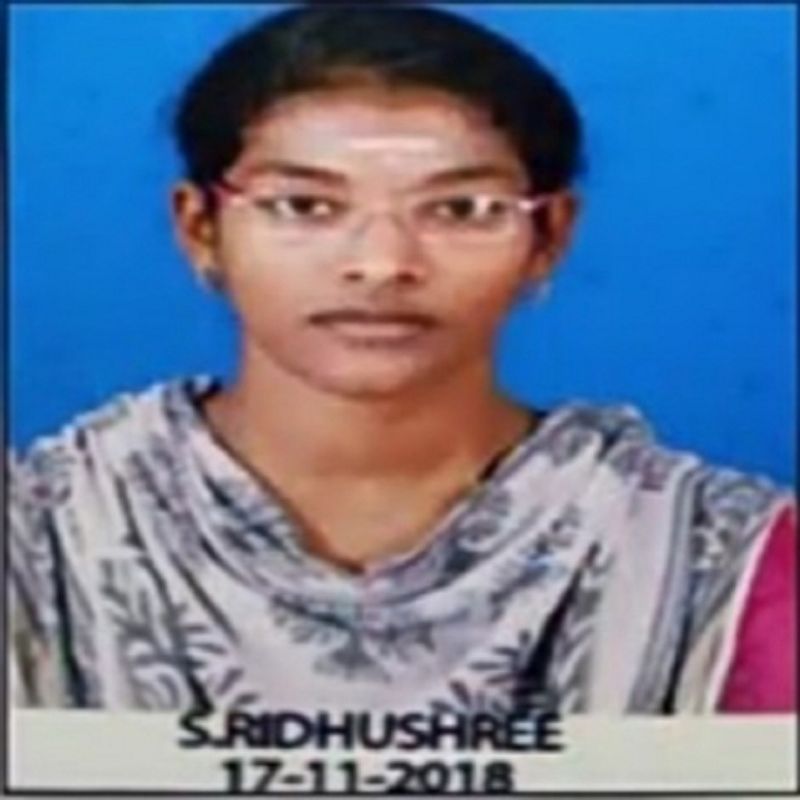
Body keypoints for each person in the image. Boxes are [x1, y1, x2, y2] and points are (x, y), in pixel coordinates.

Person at [8, 3, 795, 715]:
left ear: (549, 236)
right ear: (200, 229)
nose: (382, 263)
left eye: (460, 209)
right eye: (304, 206)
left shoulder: (730, 559)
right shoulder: (37, 534)